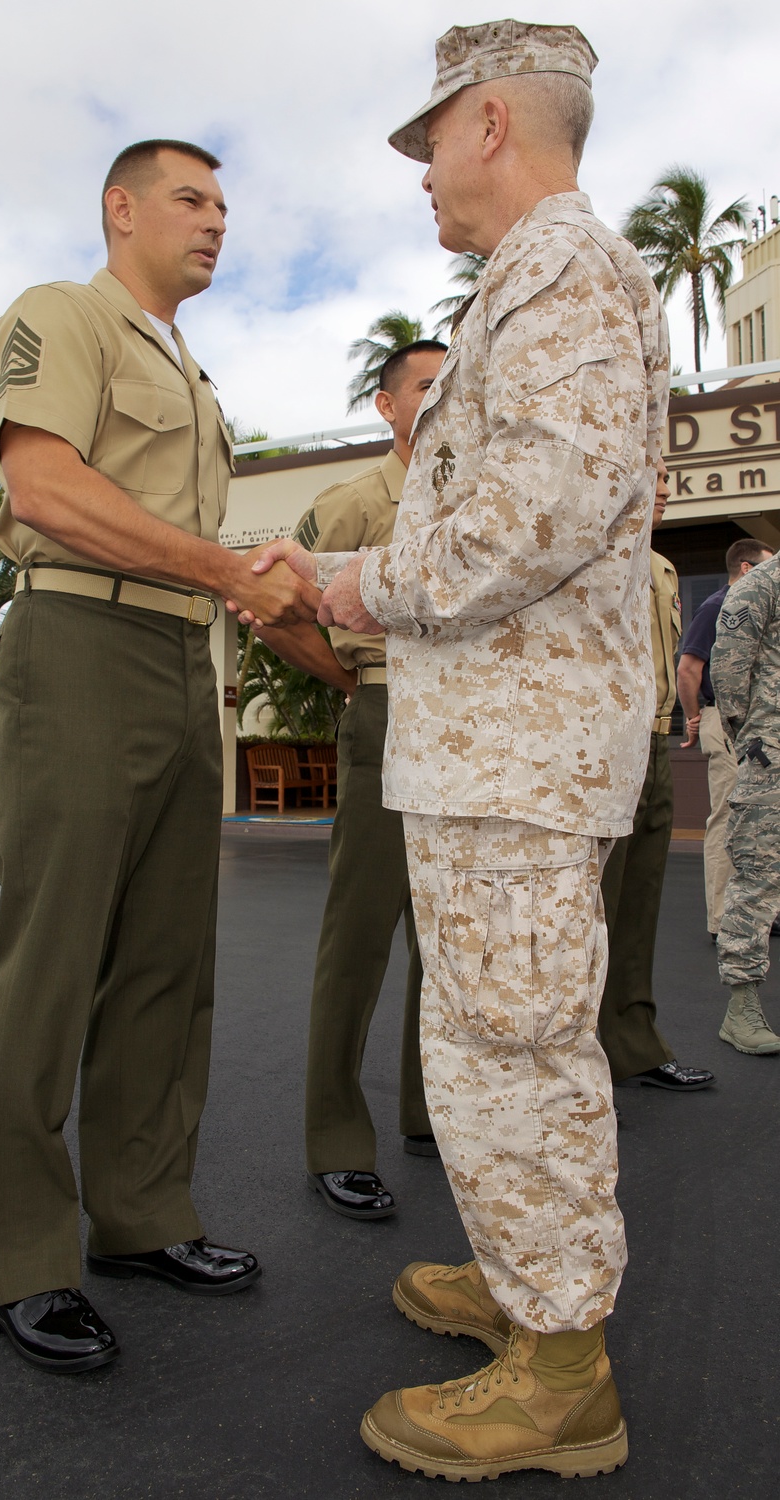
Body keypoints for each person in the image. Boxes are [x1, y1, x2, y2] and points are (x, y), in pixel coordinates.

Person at [247, 19, 667, 1481]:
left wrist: (359, 585)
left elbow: (541, 507)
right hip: (493, 740)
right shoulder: (528, 282)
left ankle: (565, 1375)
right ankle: (524, 1275)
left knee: (519, 1041)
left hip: (520, 751)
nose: (424, 170)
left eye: (431, 138)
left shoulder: (561, 269)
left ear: (490, 120)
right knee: (488, 1036)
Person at [0, 139, 318, 1374]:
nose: (216, 221)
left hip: (181, 659)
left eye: (226, 203)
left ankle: (140, 1217)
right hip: (80, 635)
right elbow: (45, 486)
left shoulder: (195, 371)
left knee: (170, 962)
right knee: (54, 960)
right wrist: (230, 573)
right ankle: (22, 1255)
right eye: (191, 199)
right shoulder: (64, 317)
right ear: (121, 209)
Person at [258, 342, 446, 1223]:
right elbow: (273, 608)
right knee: (361, 938)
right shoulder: (356, 503)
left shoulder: (469, 495)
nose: (445, 397)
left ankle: (429, 1117)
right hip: (385, 714)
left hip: (464, 727)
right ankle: (336, 1139)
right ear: (385, 404)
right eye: (426, 385)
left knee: (446, 937)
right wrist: (347, 684)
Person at [598, 458, 715, 1093]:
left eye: (670, 482)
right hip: (604, 745)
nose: (666, 490)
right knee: (596, 909)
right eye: (655, 480)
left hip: (655, 742)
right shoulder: (595, 556)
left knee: (641, 902)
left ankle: (635, 1045)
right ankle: (577, 1054)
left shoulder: (665, 568)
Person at [676, 538, 774, 937]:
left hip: (761, 725)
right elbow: (688, 669)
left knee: (764, 821)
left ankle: (762, 913)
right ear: (748, 569)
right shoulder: (716, 606)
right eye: (769, 568)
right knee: (728, 820)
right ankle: (721, 921)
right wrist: (696, 717)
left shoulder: (760, 607)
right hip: (728, 722)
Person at [710, 552, 780, 1055]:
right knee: (758, 872)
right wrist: (757, 738)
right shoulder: (760, 584)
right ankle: (742, 1006)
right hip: (773, 752)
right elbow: (729, 672)